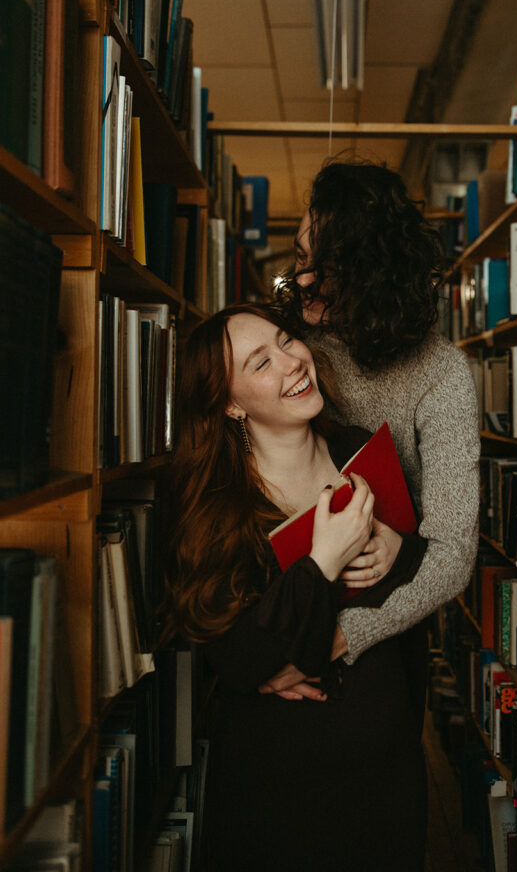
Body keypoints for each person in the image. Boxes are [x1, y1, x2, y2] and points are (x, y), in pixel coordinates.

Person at [164, 302, 429, 872]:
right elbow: (234, 659)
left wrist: (399, 549)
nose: (292, 362)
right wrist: (321, 562)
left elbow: (422, 580)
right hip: (281, 790)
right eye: (261, 362)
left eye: (286, 340)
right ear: (231, 404)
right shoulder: (218, 509)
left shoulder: (360, 449)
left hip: (388, 772)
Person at [268, 158, 480, 702]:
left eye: (329, 267)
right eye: (300, 257)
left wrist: (341, 638)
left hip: (383, 624)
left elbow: (452, 552)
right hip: (281, 607)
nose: (305, 280)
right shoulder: (289, 349)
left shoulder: (441, 375)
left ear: (374, 274)